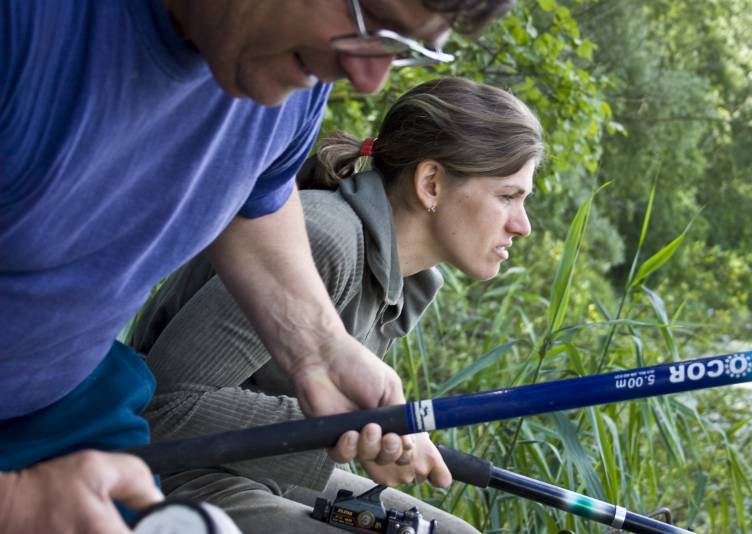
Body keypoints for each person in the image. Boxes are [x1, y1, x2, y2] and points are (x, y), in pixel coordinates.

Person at [0, 1, 515, 532]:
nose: (368, 78)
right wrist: (17, 502)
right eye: (372, 23)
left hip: (73, 404)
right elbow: (175, 404)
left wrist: (319, 348)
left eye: (404, 48)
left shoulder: (283, 84)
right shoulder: (29, 29)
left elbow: (256, 198)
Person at [129, 77, 545, 533]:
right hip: (167, 473)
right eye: (508, 196)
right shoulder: (325, 238)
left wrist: (370, 431)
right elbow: (161, 409)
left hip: (258, 472)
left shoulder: (406, 280)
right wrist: (351, 429)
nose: (522, 226)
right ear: (431, 183)